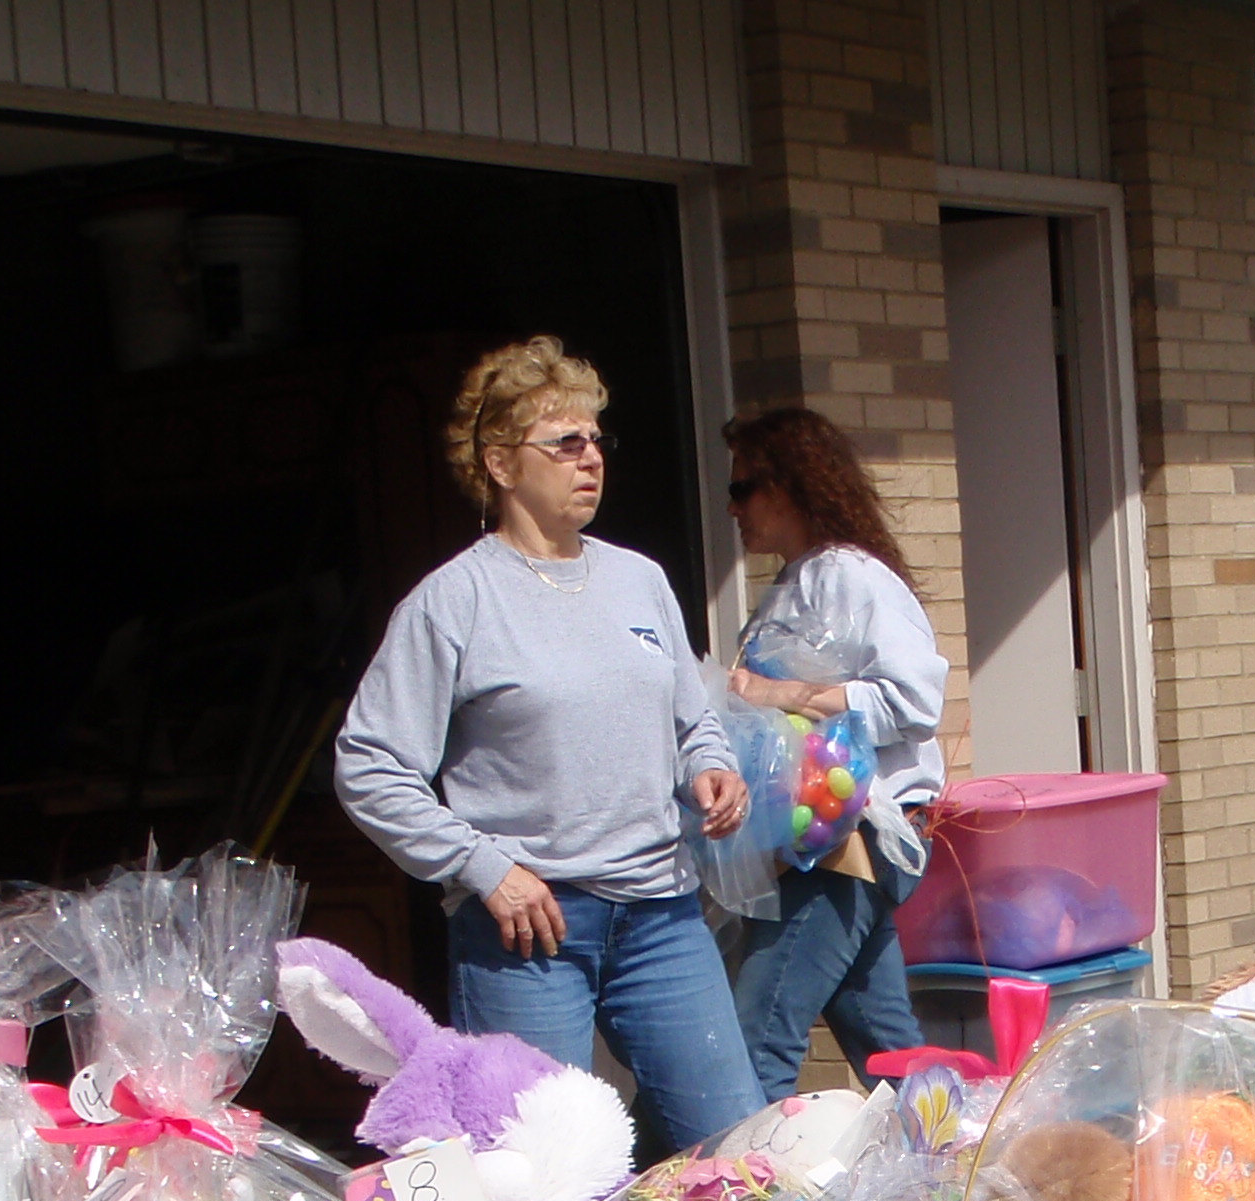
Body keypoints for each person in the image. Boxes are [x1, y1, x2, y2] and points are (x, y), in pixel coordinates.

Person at [335, 335, 761, 1152]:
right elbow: (370, 767)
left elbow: (691, 719)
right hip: (530, 933)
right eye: (564, 442)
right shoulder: (453, 603)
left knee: (735, 1146)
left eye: (596, 438)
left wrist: (710, 765)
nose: (590, 457)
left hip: (663, 914)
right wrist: (483, 867)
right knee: (541, 1170)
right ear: (500, 464)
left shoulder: (640, 580)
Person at [718, 406, 949, 1104]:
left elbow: (914, 701)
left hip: (850, 838)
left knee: (757, 1040)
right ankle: (956, 1157)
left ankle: (743, 1175)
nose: (731, 509)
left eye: (742, 489)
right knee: (888, 1045)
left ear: (788, 485)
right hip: (814, 837)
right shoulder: (791, 584)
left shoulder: (850, 576)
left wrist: (779, 694)